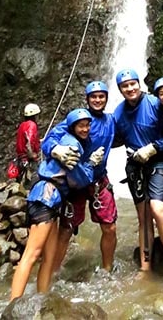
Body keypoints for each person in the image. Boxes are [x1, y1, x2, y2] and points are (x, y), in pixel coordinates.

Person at [10, 108, 101, 300]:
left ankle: (41, 299)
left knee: (49, 258)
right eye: (80, 125)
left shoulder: (67, 140)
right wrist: (91, 165)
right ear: (73, 127)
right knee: (32, 254)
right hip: (45, 198)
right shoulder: (72, 145)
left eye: (87, 125)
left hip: (53, 201)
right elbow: (80, 180)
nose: (85, 129)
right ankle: (12, 306)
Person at [114, 68, 163, 292]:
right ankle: (145, 268)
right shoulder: (119, 112)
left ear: (139, 84)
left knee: (157, 208)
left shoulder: (155, 103)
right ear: (120, 90)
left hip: (159, 161)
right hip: (135, 164)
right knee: (143, 216)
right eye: (125, 86)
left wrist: (154, 148)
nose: (130, 88)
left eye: (133, 84)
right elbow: (111, 136)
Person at [42, 81, 117, 273]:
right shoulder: (76, 119)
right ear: (87, 99)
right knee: (66, 229)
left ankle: (107, 270)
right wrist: (56, 149)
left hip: (99, 179)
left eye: (101, 96)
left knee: (109, 227)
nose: (98, 100)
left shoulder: (111, 121)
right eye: (94, 97)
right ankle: (53, 273)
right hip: (75, 181)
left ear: (107, 99)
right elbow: (49, 139)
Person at [15, 103, 41, 185]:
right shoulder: (32, 125)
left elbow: (23, 140)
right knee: (34, 181)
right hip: (28, 159)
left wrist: (39, 141)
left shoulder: (22, 125)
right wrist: (32, 155)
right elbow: (28, 140)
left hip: (21, 159)